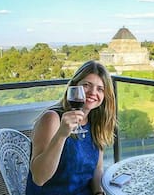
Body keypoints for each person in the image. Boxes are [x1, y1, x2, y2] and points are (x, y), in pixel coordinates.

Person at [26, 60, 116, 195]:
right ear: (73, 87)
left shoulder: (95, 122)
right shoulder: (52, 119)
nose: (93, 92)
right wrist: (61, 134)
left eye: (100, 89)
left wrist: (98, 192)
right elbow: (39, 178)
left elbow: (97, 168)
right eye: (86, 85)